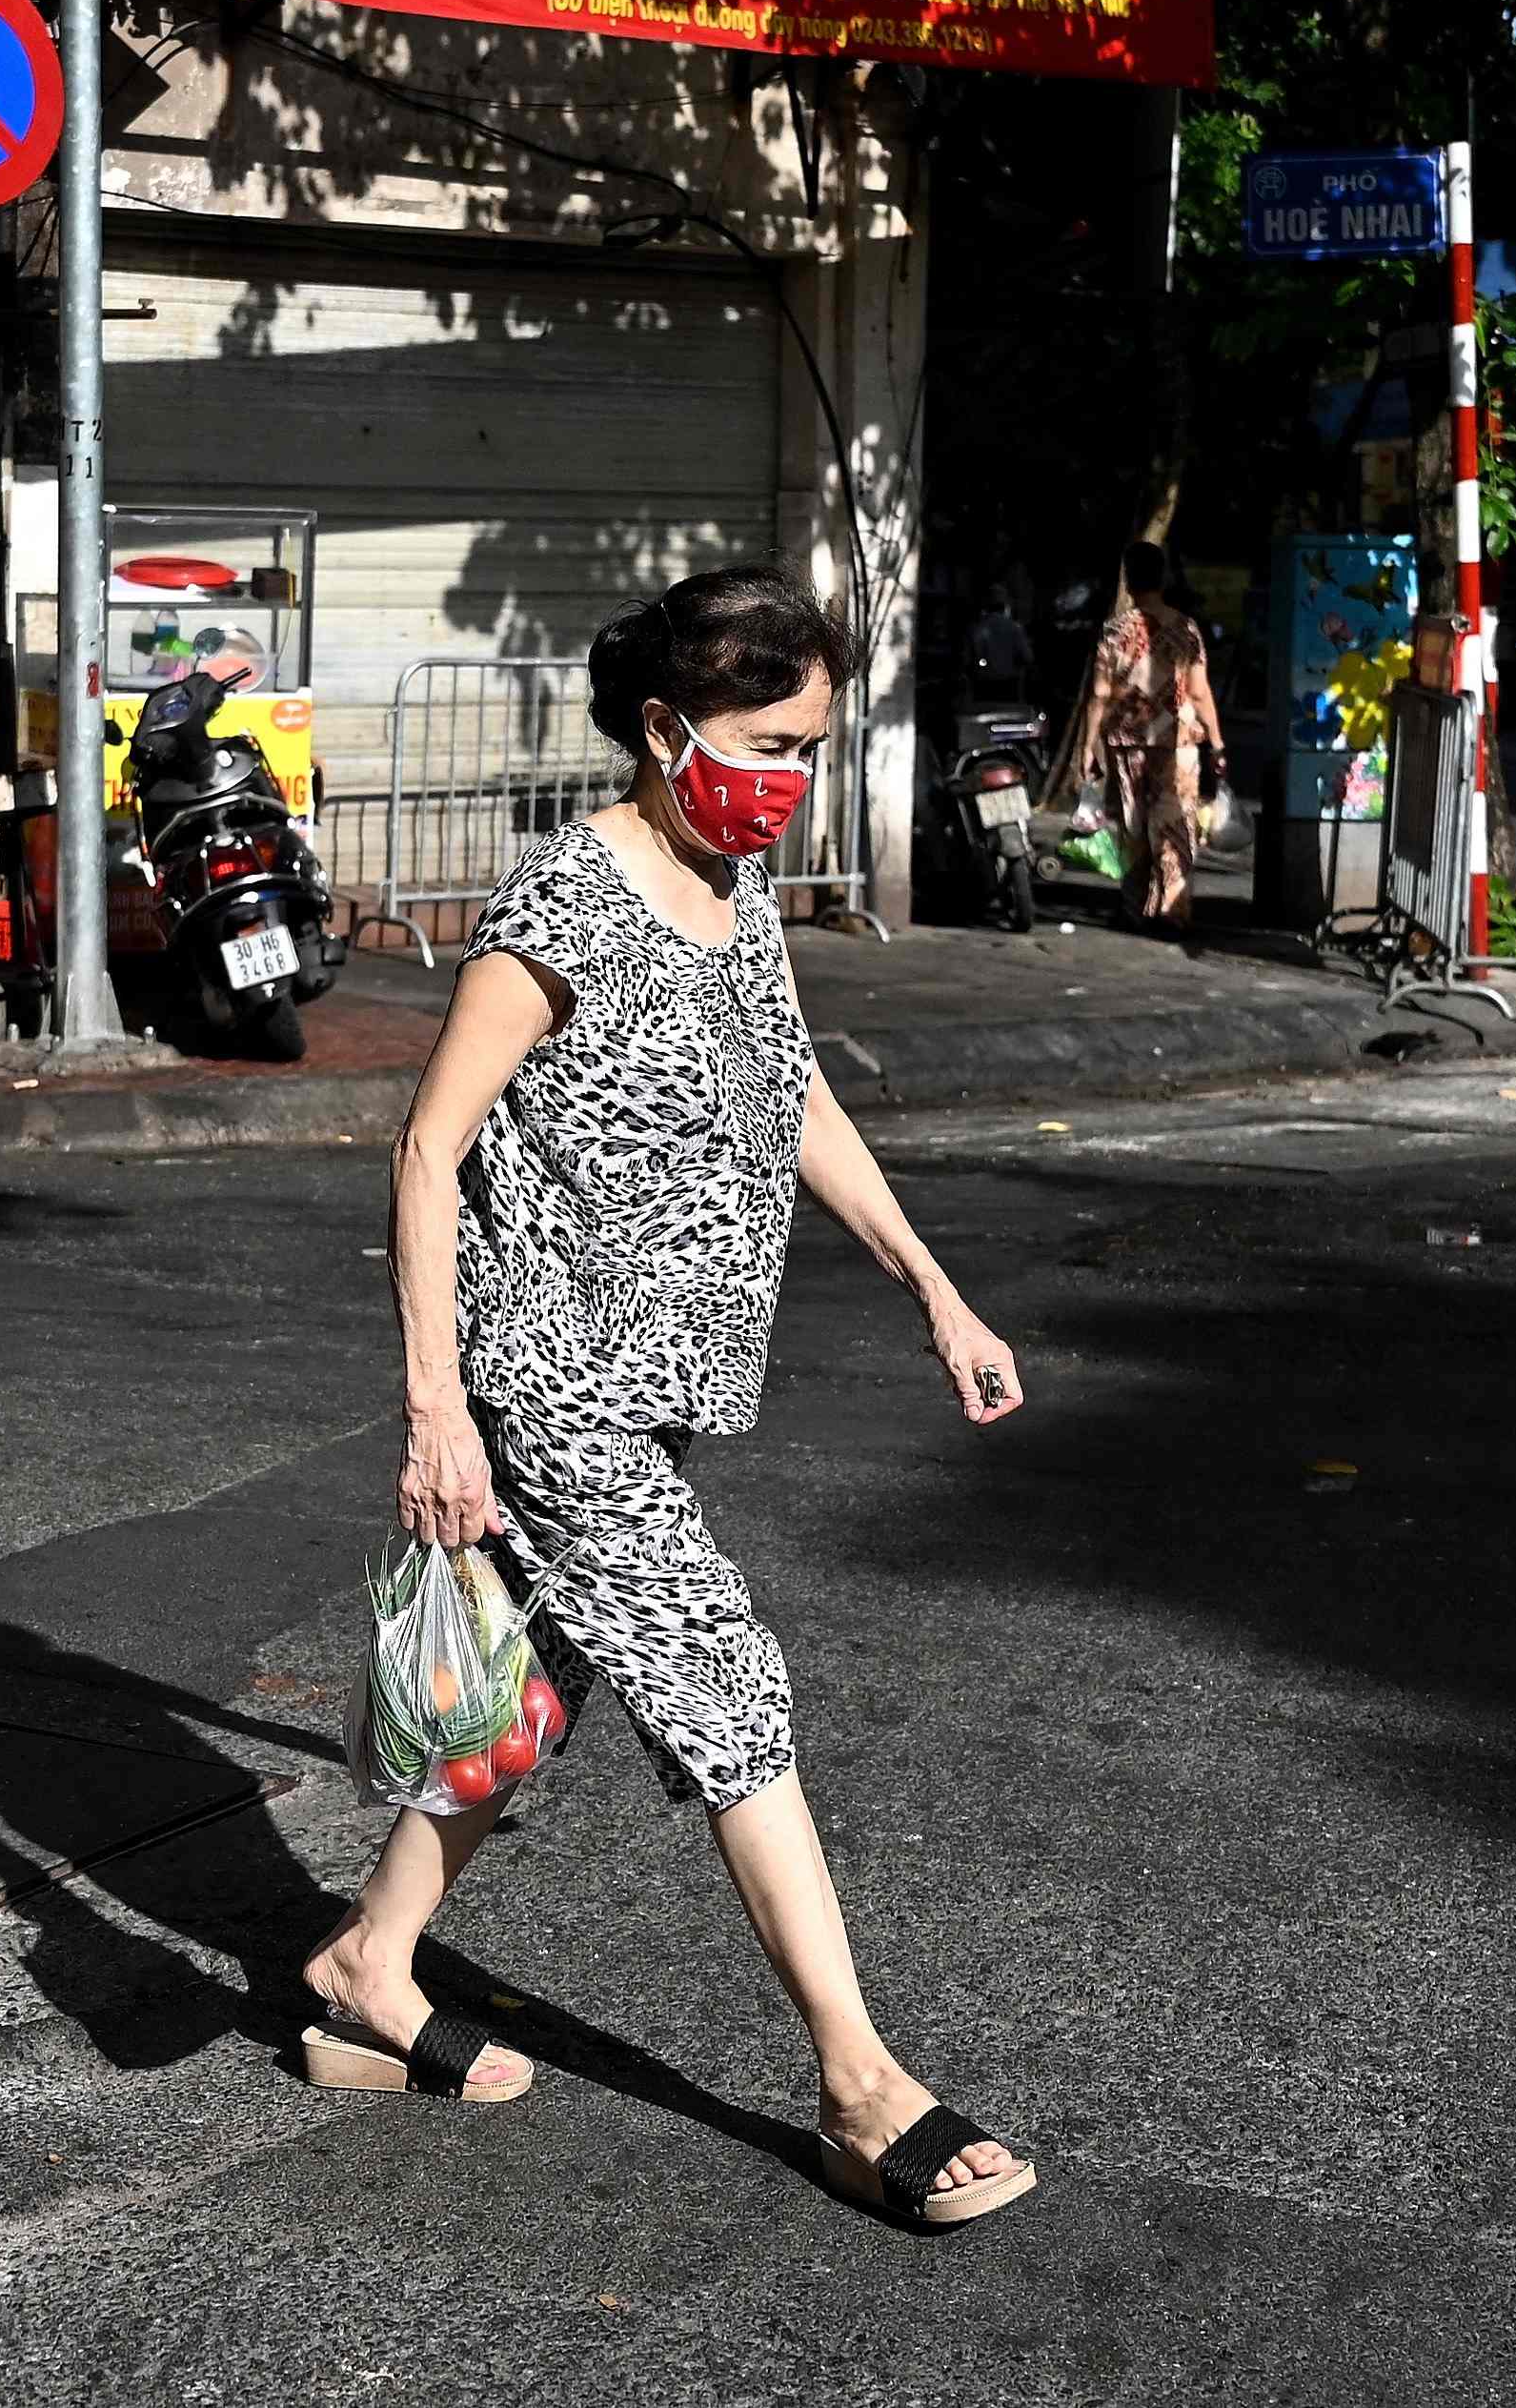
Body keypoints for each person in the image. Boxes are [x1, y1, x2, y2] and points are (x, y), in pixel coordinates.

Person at [301, 565, 1044, 2232]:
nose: (792, 778)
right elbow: (426, 1145)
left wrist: (933, 1285)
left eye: (811, 747)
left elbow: (789, 1099)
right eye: (769, 742)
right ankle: (862, 2085)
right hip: (547, 1379)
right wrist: (439, 1409)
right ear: (663, 728)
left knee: (524, 1690)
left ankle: (370, 1962)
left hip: (657, 1388)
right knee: (723, 1676)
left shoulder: (735, 890)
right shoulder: (568, 901)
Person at [1048, 538, 1224, 927]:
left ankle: (1134, 909)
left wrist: (1088, 745)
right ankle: (1173, 911)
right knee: (1174, 825)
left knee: (1133, 825)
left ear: (1128, 581)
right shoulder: (1187, 629)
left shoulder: (1114, 631)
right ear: (1163, 578)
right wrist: (1216, 741)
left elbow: (1099, 694)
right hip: (1178, 743)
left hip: (1127, 742)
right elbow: (1199, 690)